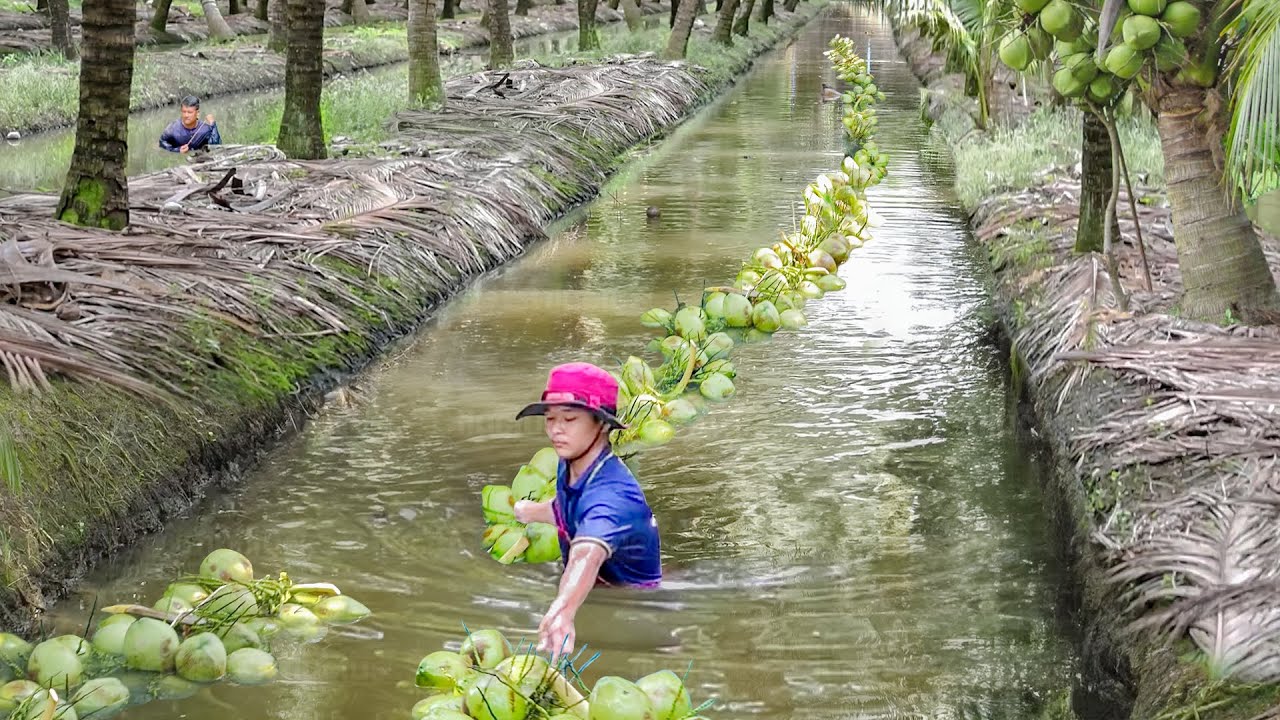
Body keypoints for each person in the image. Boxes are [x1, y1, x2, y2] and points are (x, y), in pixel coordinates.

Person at [513, 362, 662, 659]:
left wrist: (563, 609)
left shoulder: (613, 496)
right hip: (593, 589)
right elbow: (572, 511)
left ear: (602, 424)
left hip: (629, 610)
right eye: (550, 418)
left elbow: (587, 554)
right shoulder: (570, 462)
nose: (556, 429)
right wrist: (533, 512)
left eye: (569, 419)